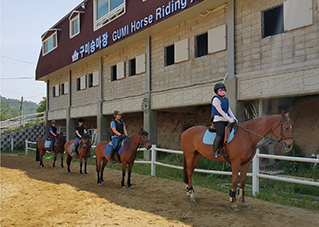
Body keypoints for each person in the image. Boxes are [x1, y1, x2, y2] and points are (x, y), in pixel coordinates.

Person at [210, 82, 237, 158]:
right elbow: (220, 111)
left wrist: (234, 118)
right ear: (217, 91)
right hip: (218, 120)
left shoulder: (226, 99)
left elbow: (229, 110)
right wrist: (229, 118)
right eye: (220, 89)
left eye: (224, 89)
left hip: (226, 120)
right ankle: (215, 151)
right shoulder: (216, 99)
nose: (223, 91)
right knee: (221, 133)